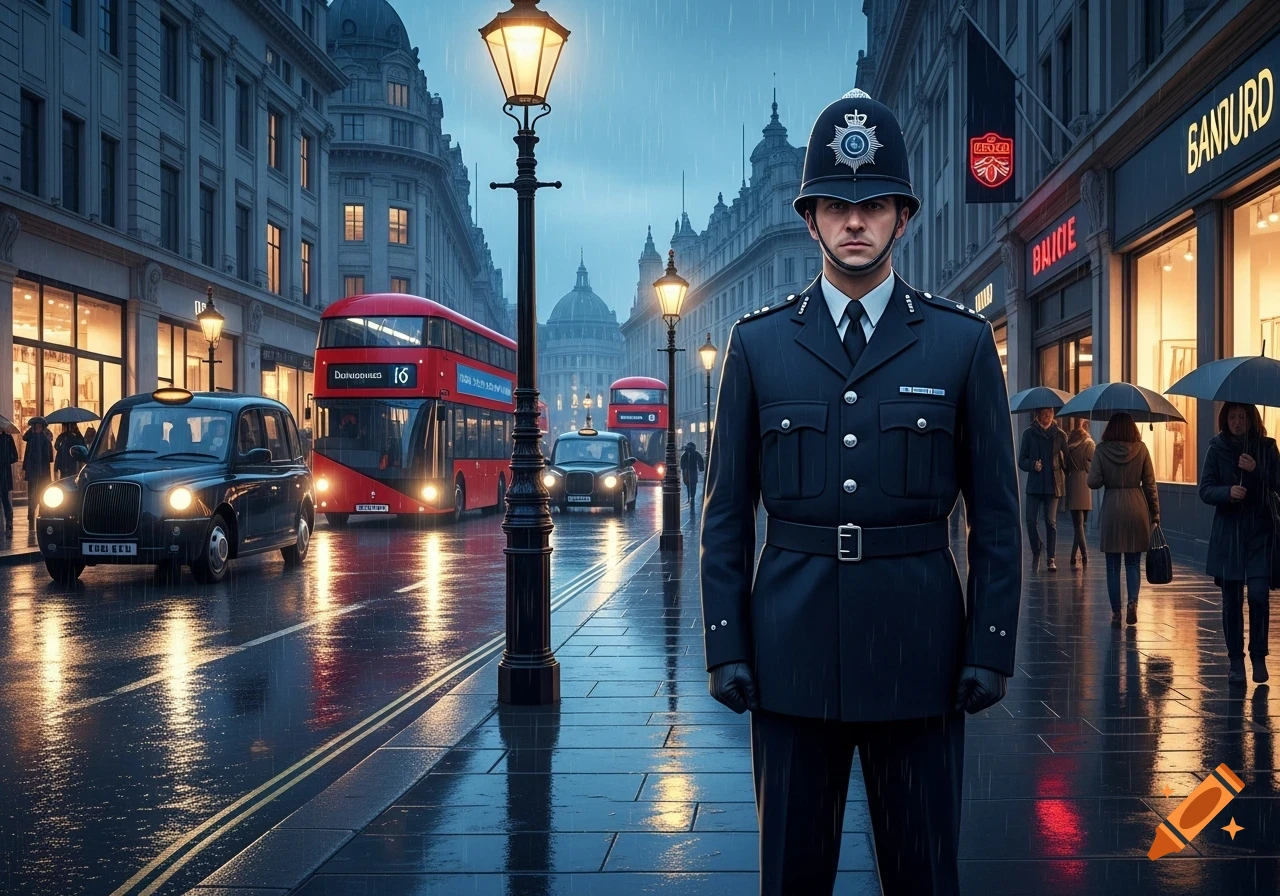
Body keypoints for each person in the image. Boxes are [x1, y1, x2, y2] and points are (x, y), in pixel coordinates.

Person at [700, 88, 1021, 896]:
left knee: (923, 876)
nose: (854, 221)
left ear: (903, 218)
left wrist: (990, 644)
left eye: (873, 203)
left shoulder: (960, 344)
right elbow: (727, 516)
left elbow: (997, 519)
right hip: (789, 656)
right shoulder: (757, 346)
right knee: (792, 879)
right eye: (836, 205)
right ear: (809, 217)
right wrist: (726, 643)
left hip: (919, 657)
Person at [1199, 402, 1280, 686]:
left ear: (1251, 419)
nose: (1236, 422)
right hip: (1228, 533)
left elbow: (1278, 483)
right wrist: (1227, 492)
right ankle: (1235, 660)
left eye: (1241, 417)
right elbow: (1205, 489)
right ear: (1225, 419)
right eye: (1232, 417)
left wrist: (1257, 469)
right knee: (1231, 602)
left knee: (1258, 595)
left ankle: (1258, 654)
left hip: (1259, 532)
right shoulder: (1216, 447)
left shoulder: (1267, 447)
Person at [1087, 412, 1160, 627]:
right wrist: (1155, 514)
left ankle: (1116, 612)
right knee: (1133, 561)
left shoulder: (1101, 450)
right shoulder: (1141, 449)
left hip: (1112, 507)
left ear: (1110, 428)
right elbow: (1150, 484)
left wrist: (1098, 468)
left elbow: (1093, 482)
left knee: (1112, 565)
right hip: (1136, 507)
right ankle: (1132, 604)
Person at [1018, 407, 1068, 571]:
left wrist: (1064, 463)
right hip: (1034, 484)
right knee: (1030, 521)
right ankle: (1036, 548)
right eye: (1044, 413)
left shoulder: (1060, 434)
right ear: (1037, 415)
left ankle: (1051, 558)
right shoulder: (1029, 433)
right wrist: (1033, 465)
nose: (1047, 416)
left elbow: (1067, 462)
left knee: (1050, 522)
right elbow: (1021, 460)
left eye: (1050, 413)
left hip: (1053, 484)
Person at [1065, 420, 1096, 567]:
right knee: (1082, 525)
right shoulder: (1089, 444)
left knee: (1077, 525)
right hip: (1086, 484)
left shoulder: (1068, 448)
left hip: (1073, 483)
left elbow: (1065, 467)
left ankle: (1077, 555)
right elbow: (1093, 465)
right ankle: (1083, 555)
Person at [22, 417, 53, 530]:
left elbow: (49, 454)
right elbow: (24, 437)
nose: (36, 428)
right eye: (35, 426)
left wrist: (44, 431)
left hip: (43, 471)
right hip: (32, 471)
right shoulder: (31, 437)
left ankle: (42, 513)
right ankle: (31, 514)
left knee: (43, 493)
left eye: (39, 426)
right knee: (32, 494)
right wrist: (31, 429)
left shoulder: (45, 438)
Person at [0, 427, 17, 534]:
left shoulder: (8, 438)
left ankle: (9, 521)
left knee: (5, 498)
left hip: (4, 472)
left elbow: (15, 456)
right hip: (4, 472)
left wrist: (5, 460)